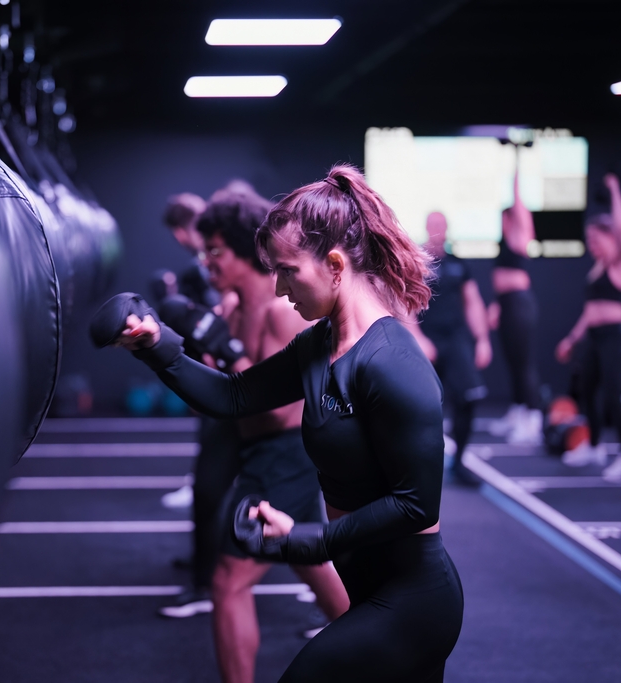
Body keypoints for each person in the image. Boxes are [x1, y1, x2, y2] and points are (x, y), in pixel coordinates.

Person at [96, 164, 463, 682]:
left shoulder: (392, 363)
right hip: (366, 585)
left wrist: (305, 541)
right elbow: (234, 395)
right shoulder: (319, 344)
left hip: (413, 599)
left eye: (289, 270)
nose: (279, 287)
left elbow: (415, 504)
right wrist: (157, 347)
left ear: (335, 264)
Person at [158, 187, 350, 682]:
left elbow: (277, 409)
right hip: (260, 451)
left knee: (227, 583)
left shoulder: (279, 311)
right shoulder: (229, 306)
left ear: (244, 252)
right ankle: (390, 657)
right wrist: (162, 345)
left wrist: (227, 353)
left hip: (286, 454)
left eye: (215, 252)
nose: (205, 262)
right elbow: (219, 394)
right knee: (311, 562)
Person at [154, 192, 243, 618]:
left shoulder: (273, 302)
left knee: (304, 535)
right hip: (235, 401)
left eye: (215, 252)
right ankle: (206, 577)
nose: (208, 263)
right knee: (209, 493)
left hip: (265, 420)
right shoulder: (227, 293)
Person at [555, 173, 621, 477]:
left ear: (609, 237)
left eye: (595, 239)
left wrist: (615, 190)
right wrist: (571, 339)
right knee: (587, 391)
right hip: (593, 338)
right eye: (588, 240)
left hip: (614, 338)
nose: (592, 245)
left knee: (614, 396)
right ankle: (595, 446)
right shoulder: (597, 268)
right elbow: (589, 312)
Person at [409, 212, 491, 486]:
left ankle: (459, 461)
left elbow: (473, 301)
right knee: (418, 404)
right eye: (432, 226)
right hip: (426, 339)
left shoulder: (458, 264)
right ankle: (414, 466)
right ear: (426, 228)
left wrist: (482, 340)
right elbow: (403, 301)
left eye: (441, 227)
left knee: (469, 397)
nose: (437, 231)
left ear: (446, 230)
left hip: (455, 339)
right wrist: (417, 336)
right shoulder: (416, 263)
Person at [487, 170, 543, 444]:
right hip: (507, 305)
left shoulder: (519, 236)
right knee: (512, 363)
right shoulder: (503, 242)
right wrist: (496, 306)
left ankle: (533, 419)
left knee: (524, 364)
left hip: (521, 305)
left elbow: (520, 208)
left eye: (504, 217)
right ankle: (519, 411)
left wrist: (516, 172)